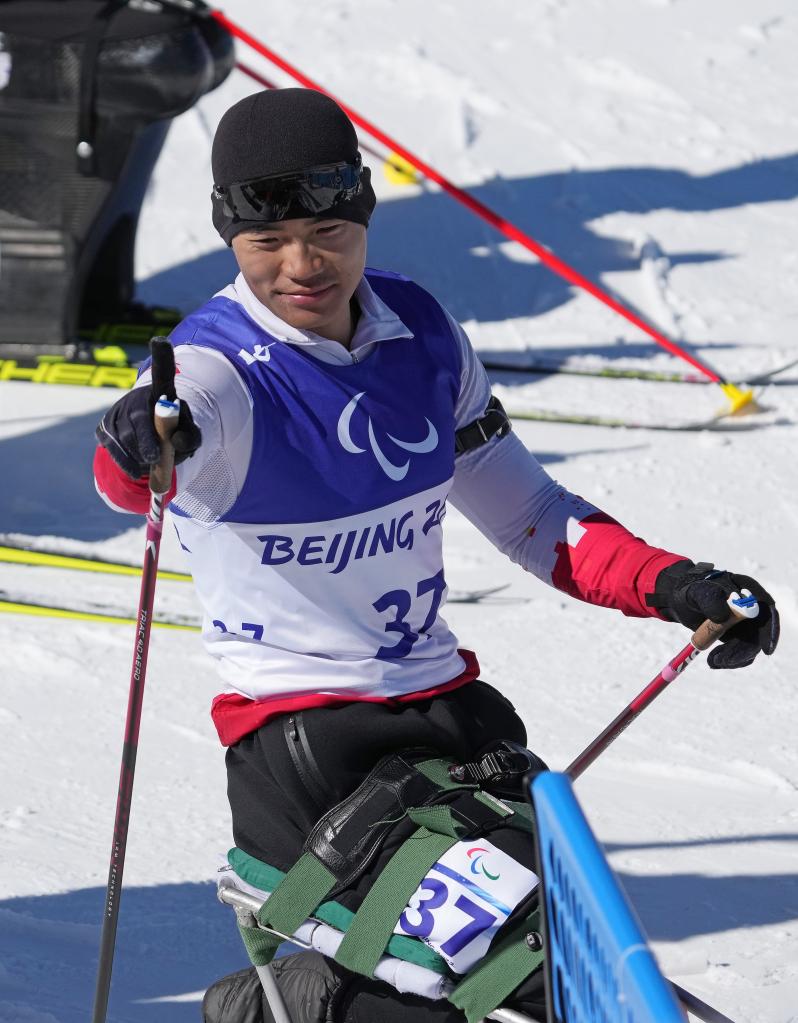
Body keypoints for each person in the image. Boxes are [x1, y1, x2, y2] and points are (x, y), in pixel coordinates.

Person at [93, 88, 779, 1023]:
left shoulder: (419, 334)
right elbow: (137, 469)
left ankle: (317, 998)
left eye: (329, 228)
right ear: (229, 238)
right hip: (305, 746)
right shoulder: (214, 371)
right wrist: (136, 438)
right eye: (267, 242)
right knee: (544, 983)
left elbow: (532, 513)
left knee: (569, 952)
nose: (303, 264)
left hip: (450, 721)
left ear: (366, 208)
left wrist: (675, 582)